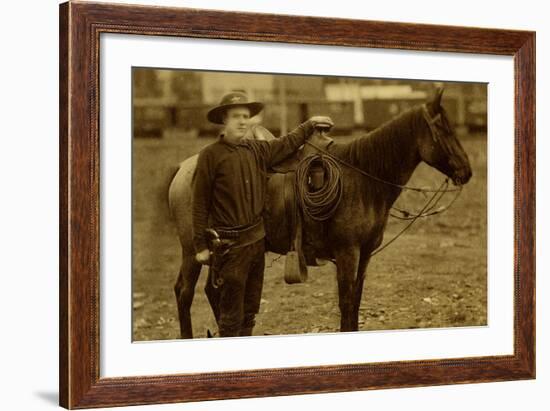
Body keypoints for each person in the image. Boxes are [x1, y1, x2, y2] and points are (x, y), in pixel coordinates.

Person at [192, 91, 333, 337]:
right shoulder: (210, 156)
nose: (242, 121)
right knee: (231, 317)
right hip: (229, 247)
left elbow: (288, 142)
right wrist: (200, 246)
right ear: (224, 119)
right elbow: (199, 203)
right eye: (236, 116)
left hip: (257, 244)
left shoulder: (258, 151)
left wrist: (309, 124)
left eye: (246, 116)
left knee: (250, 313)